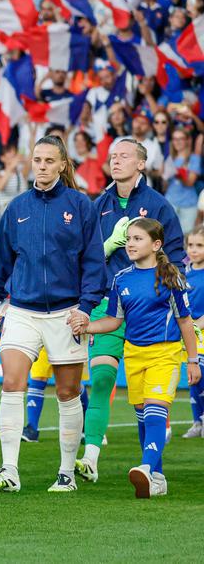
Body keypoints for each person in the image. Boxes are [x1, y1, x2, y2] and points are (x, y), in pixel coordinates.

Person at [0, 135, 107, 493]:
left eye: (50, 160)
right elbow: (2, 261)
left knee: (68, 392)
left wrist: (85, 307)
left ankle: (66, 473)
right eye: (37, 159)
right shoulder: (17, 207)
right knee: (11, 383)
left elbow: (94, 262)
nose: (42, 165)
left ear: (62, 165)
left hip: (67, 312)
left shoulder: (81, 206)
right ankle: (9, 470)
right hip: (21, 310)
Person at [74, 138, 186, 484]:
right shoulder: (99, 205)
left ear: (141, 164)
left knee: (144, 405)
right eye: (112, 156)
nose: (115, 160)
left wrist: (164, 291)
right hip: (108, 306)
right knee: (103, 378)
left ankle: (153, 467)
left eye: (124, 156)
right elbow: (86, 254)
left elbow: (178, 256)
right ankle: (91, 456)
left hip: (148, 310)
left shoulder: (158, 205)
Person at [79, 218, 200, 498]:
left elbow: (185, 322)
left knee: (156, 410)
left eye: (137, 239)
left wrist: (192, 360)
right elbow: (113, 320)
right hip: (133, 355)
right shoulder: (121, 279)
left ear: (156, 245)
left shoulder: (171, 278)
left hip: (165, 355)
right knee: (143, 417)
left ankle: (146, 466)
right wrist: (87, 326)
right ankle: (156, 477)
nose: (130, 244)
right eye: (129, 239)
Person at [182, 227, 204, 438]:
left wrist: (197, 324)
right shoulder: (184, 273)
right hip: (191, 332)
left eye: (200, 245)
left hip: (200, 330)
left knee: (201, 371)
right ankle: (197, 422)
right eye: (191, 245)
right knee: (193, 375)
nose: (194, 250)